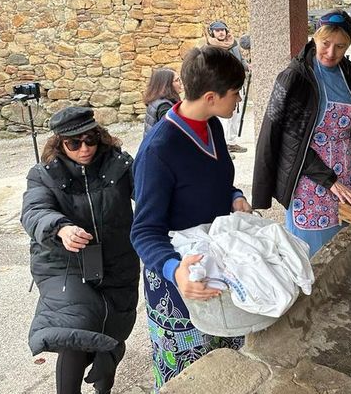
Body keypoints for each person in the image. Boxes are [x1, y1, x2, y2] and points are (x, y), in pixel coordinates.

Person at [131, 46, 249, 390]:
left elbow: (215, 180)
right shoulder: (159, 150)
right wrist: (175, 270)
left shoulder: (212, 126)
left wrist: (234, 196)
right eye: (235, 92)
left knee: (228, 365)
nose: (239, 99)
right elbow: (144, 232)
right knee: (190, 375)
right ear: (211, 96)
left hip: (215, 260)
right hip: (178, 277)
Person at [21, 106, 139, 394]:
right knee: (76, 330)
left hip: (117, 261)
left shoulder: (120, 165)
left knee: (113, 333)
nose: (84, 149)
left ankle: (103, 389)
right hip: (65, 264)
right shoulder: (43, 174)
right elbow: (34, 210)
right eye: (74, 143)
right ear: (60, 143)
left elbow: (151, 193)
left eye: (91, 140)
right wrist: (61, 228)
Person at [253, 10, 351, 256]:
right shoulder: (295, 78)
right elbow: (290, 141)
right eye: (326, 44)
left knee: (343, 250)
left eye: (340, 46)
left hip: (347, 177)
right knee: (311, 256)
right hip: (308, 180)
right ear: (314, 38)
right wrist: (328, 179)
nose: (331, 53)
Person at [203, 20, 249, 153]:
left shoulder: (233, 44)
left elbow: (240, 59)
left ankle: (231, 142)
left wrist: (247, 66)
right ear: (212, 33)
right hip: (220, 86)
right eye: (217, 30)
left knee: (235, 115)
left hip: (236, 85)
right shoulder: (209, 48)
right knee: (221, 116)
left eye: (223, 30)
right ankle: (221, 146)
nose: (221, 32)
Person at [143, 68, 182, 136]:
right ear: (166, 85)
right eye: (177, 80)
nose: (180, 83)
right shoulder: (164, 106)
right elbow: (171, 133)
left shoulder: (157, 100)